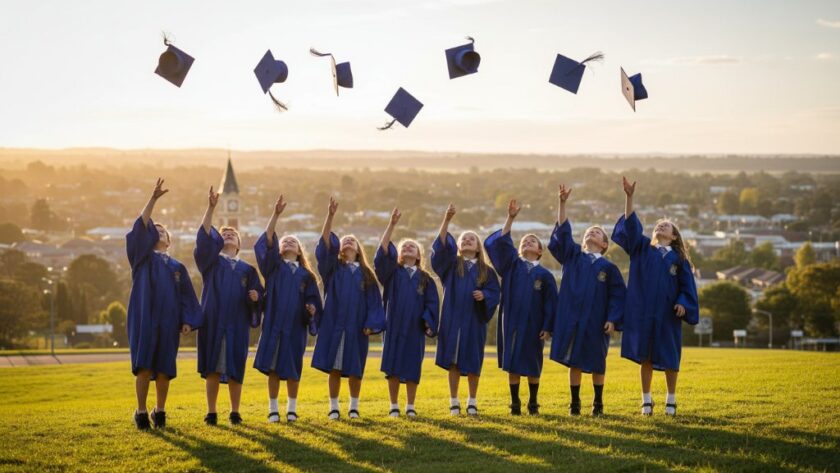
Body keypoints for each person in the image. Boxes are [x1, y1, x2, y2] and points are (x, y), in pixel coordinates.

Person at [611, 177, 699, 416]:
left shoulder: (679, 260)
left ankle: (671, 399)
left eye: (666, 226)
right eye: (658, 225)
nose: (660, 227)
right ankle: (646, 400)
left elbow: (687, 288)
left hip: (667, 314)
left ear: (673, 237)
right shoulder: (641, 249)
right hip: (642, 313)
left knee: (670, 357)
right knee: (645, 357)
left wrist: (683, 303)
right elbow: (630, 227)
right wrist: (629, 198)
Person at [125, 178, 202, 430]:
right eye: (153, 230)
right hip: (145, 318)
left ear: (169, 241)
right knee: (144, 365)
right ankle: (141, 411)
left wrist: (188, 321)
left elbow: (187, 297)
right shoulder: (142, 259)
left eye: (162, 231)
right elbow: (141, 225)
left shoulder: (177, 267)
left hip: (169, 321)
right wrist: (153, 199)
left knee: (165, 368)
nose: (157, 231)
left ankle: (160, 410)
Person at [547, 184, 625, 416]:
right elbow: (562, 234)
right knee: (575, 362)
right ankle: (574, 403)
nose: (591, 233)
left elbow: (618, 296)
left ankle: (598, 403)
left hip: (596, 320)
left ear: (604, 244)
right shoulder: (572, 257)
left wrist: (613, 319)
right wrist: (562, 204)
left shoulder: (609, 268)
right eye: (588, 232)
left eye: (597, 233)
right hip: (572, 318)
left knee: (597, 361)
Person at [194, 186, 263, 426]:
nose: (229, 235)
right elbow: (203, 239)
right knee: (212, 366)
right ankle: (211, 412)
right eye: (224, 234)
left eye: (233, 234)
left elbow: (258, 298)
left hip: (237, 324)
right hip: (213, 321)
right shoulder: (211, 263)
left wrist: (255, 298)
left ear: (240, 243)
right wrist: (211, 208)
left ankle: (235, 411)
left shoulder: (248, 270)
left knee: (235, 367)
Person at [311, 197, 385, 420]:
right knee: (333, 367)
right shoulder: (332, 269)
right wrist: (330, 216)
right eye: (345, 240)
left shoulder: (366, 274)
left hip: (357, 326)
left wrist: (372, 324)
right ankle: (334, 407)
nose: (348, 242)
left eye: (352, 240)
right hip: (334, 324)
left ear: (359, 249)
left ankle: (353, 406)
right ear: (340, 248)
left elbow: (375, 301)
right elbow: (324, 246)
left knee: (355, 368)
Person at [484, 199, 557, 415]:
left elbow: (551, 303)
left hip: (535, 325)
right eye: (524, 241)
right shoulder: (511, 267)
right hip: (513, 321)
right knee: (514, 362)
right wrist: (511, 219)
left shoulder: (545, 275)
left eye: (532, 241)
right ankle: (514, 403)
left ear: (540, 251)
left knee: (534, 363)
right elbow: (500, 244)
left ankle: (533, 403)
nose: (527, 243)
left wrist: (548, 326)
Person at [431, 204, 500, 417]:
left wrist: (485, 296)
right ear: (458, 246)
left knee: (472, 362)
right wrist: (447, 220)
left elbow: (495, 293)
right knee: (453, 361)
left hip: (474, 321)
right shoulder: (451, 266)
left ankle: (471, 401)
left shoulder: (486, 271)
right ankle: (454, 402)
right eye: (464, 239)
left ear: (479, 247)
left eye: (472, 238)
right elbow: (440, 249)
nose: (468, 240)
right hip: (452, 320)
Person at [374, 208, 440, 418]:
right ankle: (394, 405)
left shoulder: (425, 279)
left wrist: (428, 321)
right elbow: (382, 253)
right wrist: (391, 226)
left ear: (419, 255)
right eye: (405, 246)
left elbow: (432, 303)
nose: (409, 247)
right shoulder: (392, 274)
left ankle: (410, 406)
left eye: (413, 246)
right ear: (399, 255)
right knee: (392, 366)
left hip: (414, 327)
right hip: (394, 325)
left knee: (413, 366)